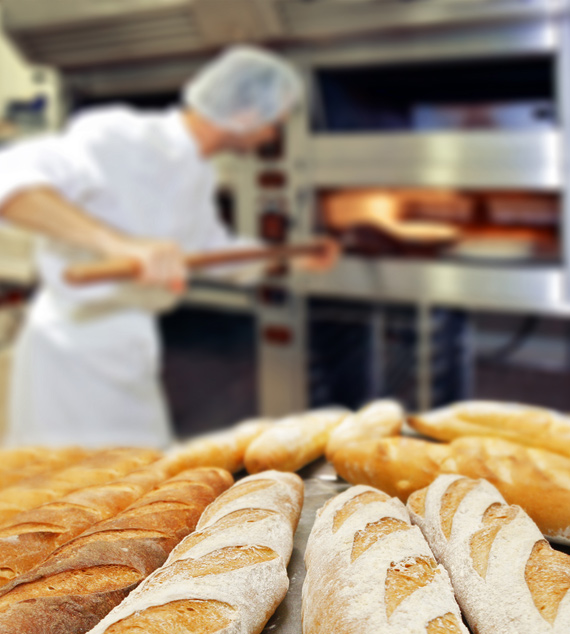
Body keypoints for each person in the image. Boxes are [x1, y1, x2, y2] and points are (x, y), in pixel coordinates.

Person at [0, 45, 337, 448]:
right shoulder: (120, 135)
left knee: (138, 487)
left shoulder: (197, 171)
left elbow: (215, 251)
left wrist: (292, 258)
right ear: (246, 116)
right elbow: (10, 179)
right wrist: (117, 244)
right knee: (67, 496)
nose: (271, 135)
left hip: (132, 344)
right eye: (274, 123)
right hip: (72, 353)